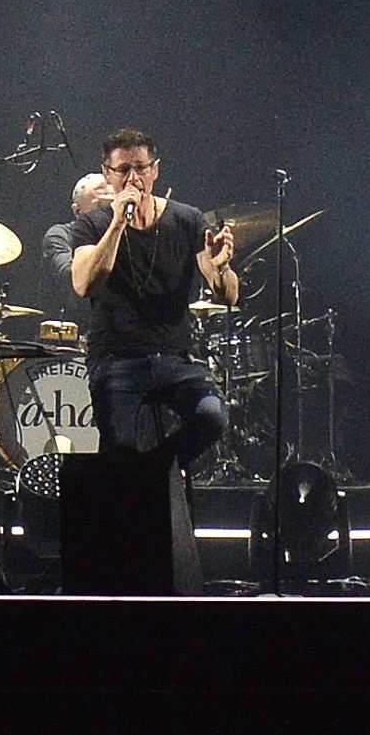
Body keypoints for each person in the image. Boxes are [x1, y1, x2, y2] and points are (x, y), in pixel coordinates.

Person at [70, 128, 238, 485]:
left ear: (155, 170)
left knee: (212, 417)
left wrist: (221, 267)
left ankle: (152, 472)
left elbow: (227, 295)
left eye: (141, 168)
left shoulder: (187, 219)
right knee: (118, 449)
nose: (134, 178)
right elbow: (84, 283)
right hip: (117, 360)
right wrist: (117, 222)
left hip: (176, 359)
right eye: (123, 170)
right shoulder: (91, 224)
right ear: (107, 174)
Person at [42, 174, 110, 317]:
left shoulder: (127, 233)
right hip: (74, 322)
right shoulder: (60, 235)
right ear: (77, 211)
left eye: (111, 206)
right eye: (100, 207)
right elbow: (71, 278)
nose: (107, 213)